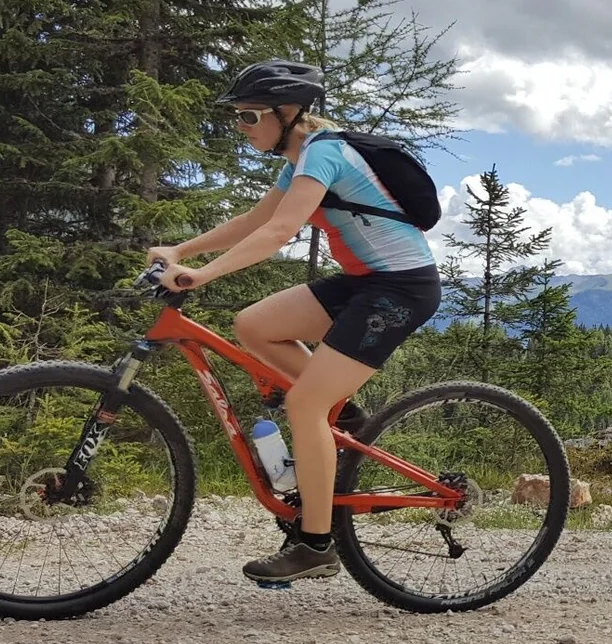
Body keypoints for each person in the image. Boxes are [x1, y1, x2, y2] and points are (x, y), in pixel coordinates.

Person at [145, 59, 442, 583]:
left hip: (400, 288)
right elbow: (253, 221)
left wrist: (201, 275)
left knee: (305, 402)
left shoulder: (325, 153)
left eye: (248, 116)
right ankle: (344, 425)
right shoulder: (300, 158)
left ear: (287, 113)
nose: (240, 127)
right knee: (255, 325)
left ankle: (316, 544)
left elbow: (281, 231)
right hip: (362, 282)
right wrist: (181, 249)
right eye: (235, 116)